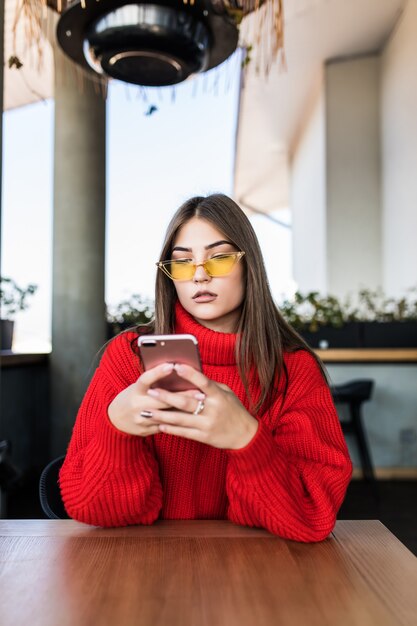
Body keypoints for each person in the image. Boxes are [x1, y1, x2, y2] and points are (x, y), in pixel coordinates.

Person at [59, 194, 352, 541]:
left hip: (256, 574)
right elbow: (88, 508)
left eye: (220, 258)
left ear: (249, 265)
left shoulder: (294, 370)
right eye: (182, 263)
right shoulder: (128, 357)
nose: (199, 275)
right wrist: (116, 430)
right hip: (145, 569)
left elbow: (311, 517)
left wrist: (246, 438)